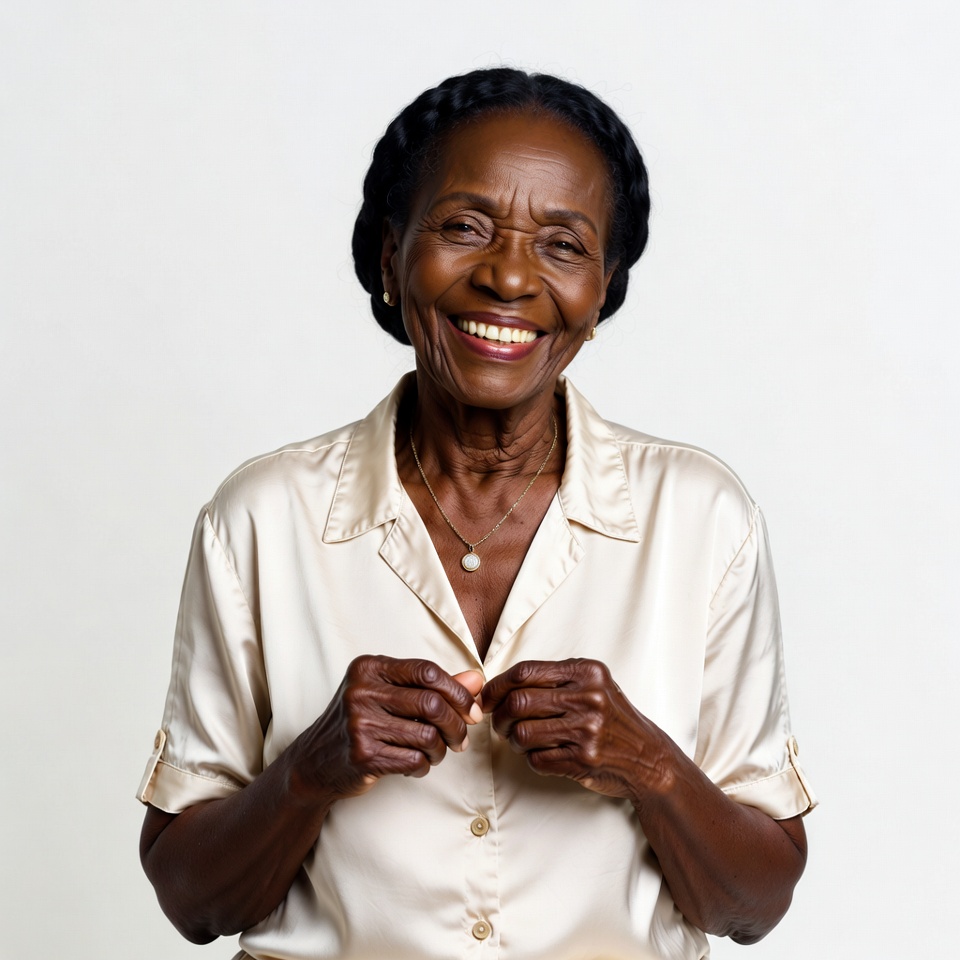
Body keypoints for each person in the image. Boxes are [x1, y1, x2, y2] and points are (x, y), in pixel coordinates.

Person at [138, 67, 817, 960]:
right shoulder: (262, 518)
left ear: (603, 291)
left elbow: (754, 906)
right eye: (464, 228)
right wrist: (311, 769)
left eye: (564, 246)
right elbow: (192, 903)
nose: (506, 275)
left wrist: (646, 765)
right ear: (390, 256)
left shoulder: (701, 518)